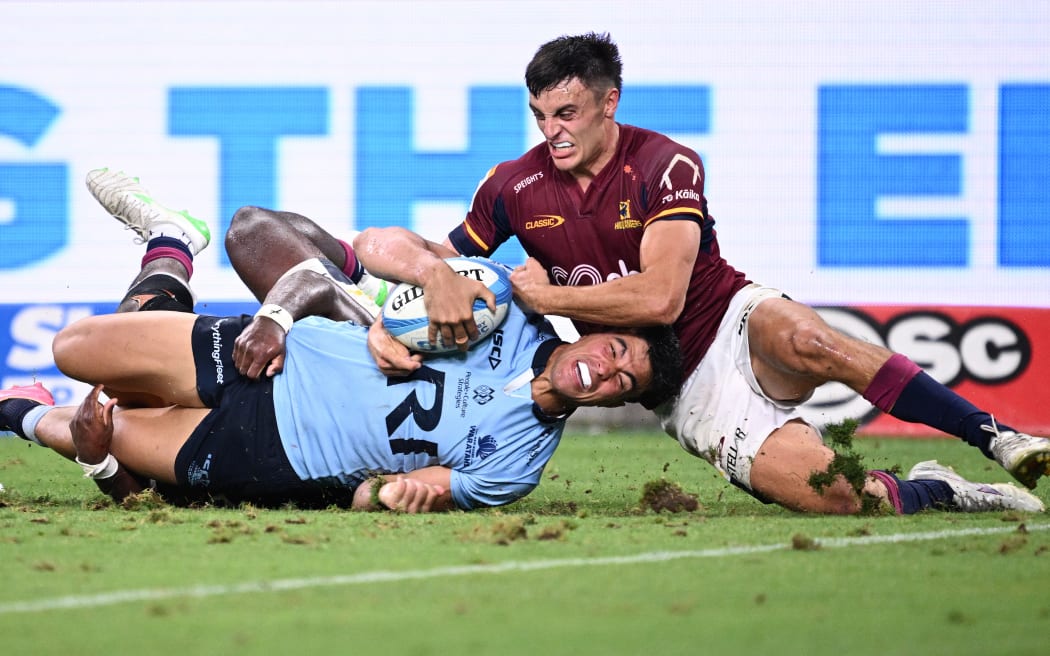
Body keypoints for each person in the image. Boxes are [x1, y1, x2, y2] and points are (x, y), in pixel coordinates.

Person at [340, 32, 1049, 515]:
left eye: (567, 112)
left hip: (728, 317)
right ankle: (943, 491)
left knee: (816, 343)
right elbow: (420, 250)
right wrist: (406, 269)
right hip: (676, 385)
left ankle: (997, 438)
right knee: (841, 498)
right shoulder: (512, 186)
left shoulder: (663, 163)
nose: (551, 130)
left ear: (608, 103)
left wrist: (544, 294)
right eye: (540, 114)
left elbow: (663, 295)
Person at [0, 169, 683, 513]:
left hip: (280, 454)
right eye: (617, 352)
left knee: (109, 437)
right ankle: (174, 244)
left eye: (627, 384)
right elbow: (373, 251)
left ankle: (20, 412)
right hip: (278, 352)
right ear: (598, 335)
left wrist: (399, 494)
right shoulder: (498, 306)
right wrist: (397, 298)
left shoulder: (520, 464)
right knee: (73, 349)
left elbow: (411, 491)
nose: (608, 373)